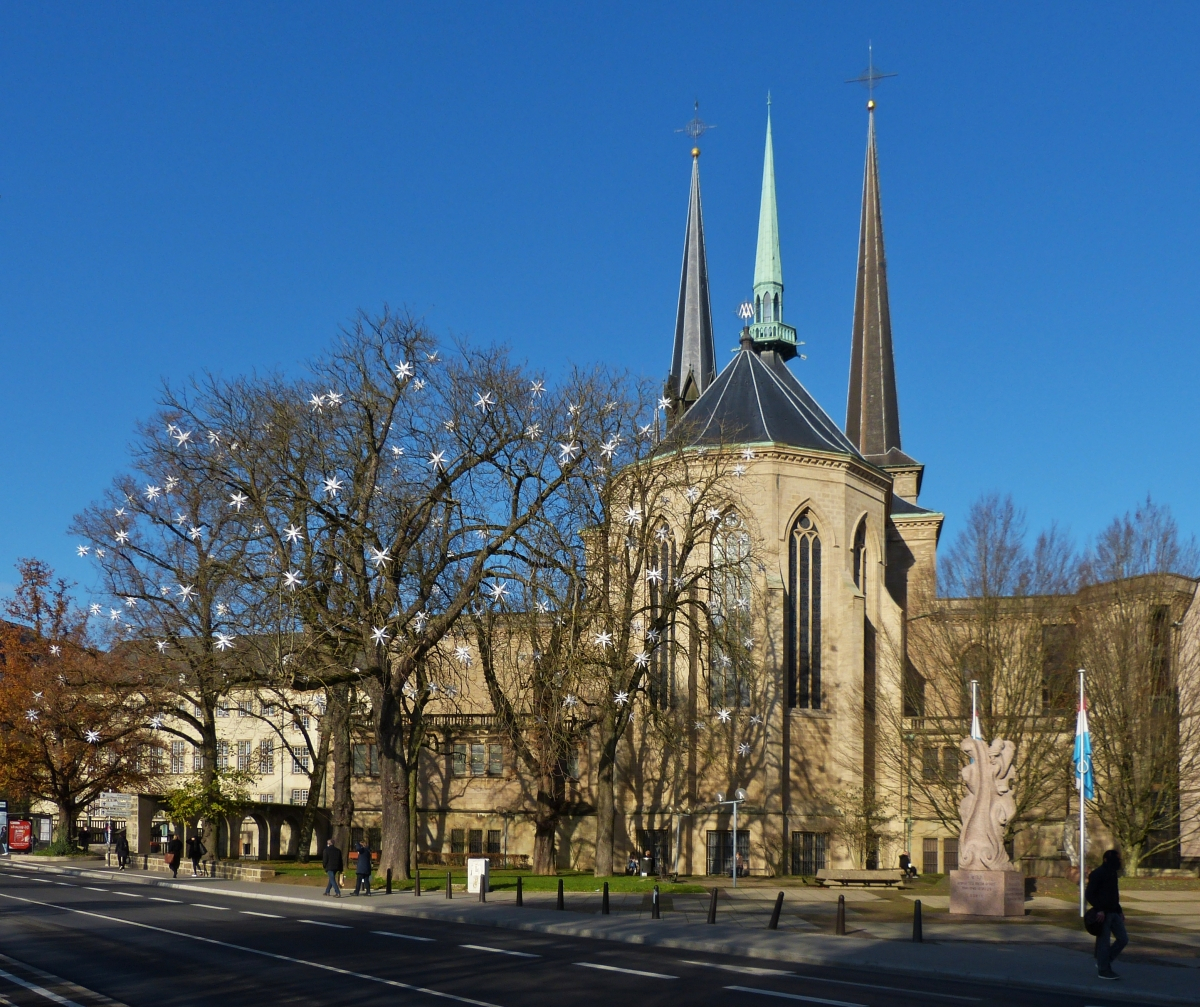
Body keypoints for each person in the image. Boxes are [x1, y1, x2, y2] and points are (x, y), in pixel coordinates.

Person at [1086, 849, 1128, 980]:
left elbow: (1114, 895)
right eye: (1116, 859)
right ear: (1106, 859)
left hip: (1113, 911)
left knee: (1123, 939)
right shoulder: (1098, 874)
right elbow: (1090, 894)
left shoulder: (1112, 873)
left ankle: (1103, 962)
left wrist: (1119, 910)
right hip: (1103, 914)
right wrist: (1099, 909)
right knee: (1104, 942)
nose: (1118, 862)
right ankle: (1103, 970)